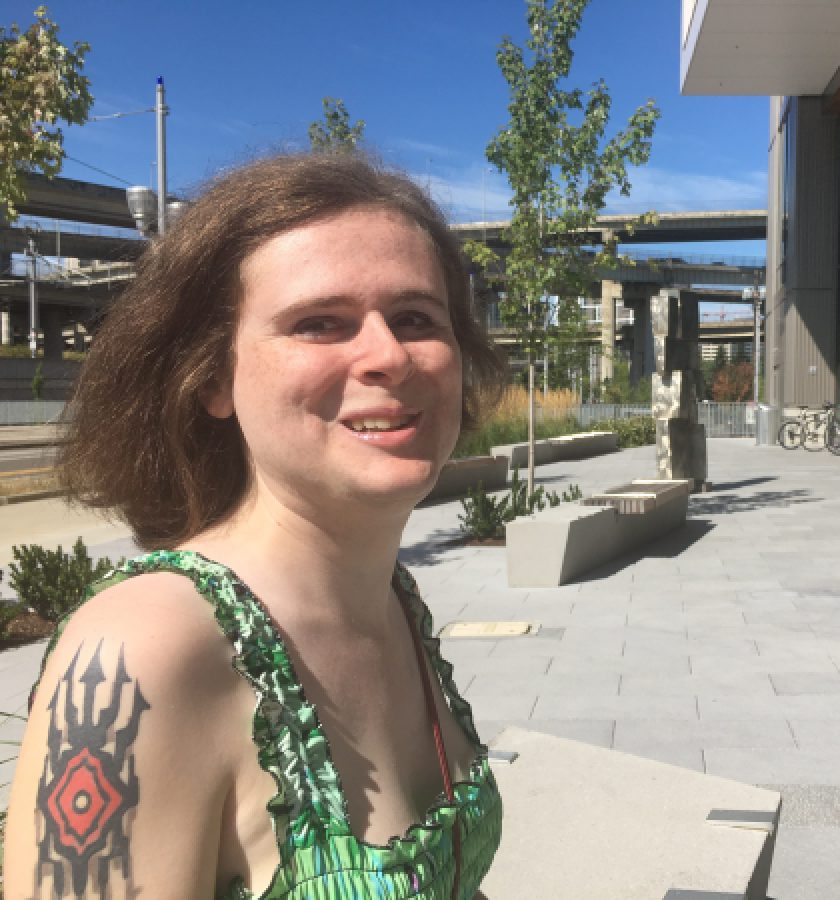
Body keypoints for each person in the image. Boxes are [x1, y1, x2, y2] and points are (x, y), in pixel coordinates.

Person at [3, 153, 507, 899]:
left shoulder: (391, 598)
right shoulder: (143, 651)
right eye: (319, 323)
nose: (390, 356)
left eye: (415, 318)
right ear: (210, 377)